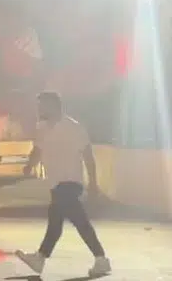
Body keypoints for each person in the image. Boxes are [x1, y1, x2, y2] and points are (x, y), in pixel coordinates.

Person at [14, 91, 111, 278]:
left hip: (70, 182)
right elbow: (37, 150)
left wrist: (93, 183)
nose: (39, 110)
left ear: (53, 106)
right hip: (55, 183)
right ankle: (98, 258)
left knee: (68, 220)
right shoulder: (41, 128)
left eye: (42, 106)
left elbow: (88, 157)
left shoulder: (74, 128)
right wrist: (29, 165)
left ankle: (98, 258)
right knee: (64, 222)